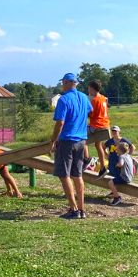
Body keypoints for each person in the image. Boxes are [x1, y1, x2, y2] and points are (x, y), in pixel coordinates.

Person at [51, 72, 92, 220]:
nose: (62, 85)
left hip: (67, 140)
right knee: (77, 174)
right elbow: (89, 111)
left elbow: (60, 122)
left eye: (63, 82)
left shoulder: (64, 100)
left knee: (64, 175)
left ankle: (73, 209)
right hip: (81, 141)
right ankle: (82, 209)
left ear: (68, 83)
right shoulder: (83, 97)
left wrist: (53, 140)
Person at [87, 80, 111, 178]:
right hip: (105, 124)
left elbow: (91, 114)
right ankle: (102, 168)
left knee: (79, 136)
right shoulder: (104, 98)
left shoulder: (94, 100)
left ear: (92, 89)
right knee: (98, 145)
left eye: (89, 89)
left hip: (97, 125)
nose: (88, 91)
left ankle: (86, 160)